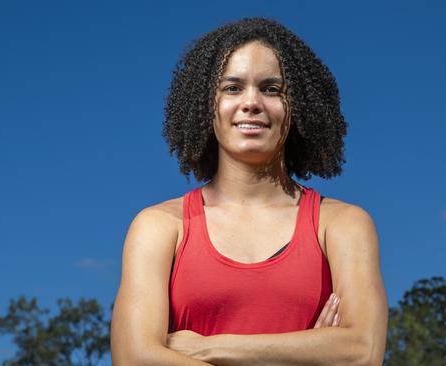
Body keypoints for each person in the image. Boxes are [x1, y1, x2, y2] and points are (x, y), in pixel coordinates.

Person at [111, 17, 387, 365]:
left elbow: (362, 352)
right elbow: (134, 359)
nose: (252, 102)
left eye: (271, 89)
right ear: (205, 105)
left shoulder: (343, 225)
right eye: (232, 88)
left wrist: (209, 348)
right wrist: (307, 352)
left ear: (297, 107)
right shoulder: (159, 227)